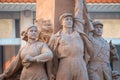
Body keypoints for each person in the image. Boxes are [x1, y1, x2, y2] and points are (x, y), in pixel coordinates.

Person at [47, 0, 89, 80]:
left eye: (71, 19)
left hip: (80, 62)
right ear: (62, 22)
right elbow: (50, 57)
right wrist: (50, 73)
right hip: (65, 64)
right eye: (66, 19)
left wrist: (79, 2)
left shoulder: (78, 31)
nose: (69, 21)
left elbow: (78, 12)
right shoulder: (56, 37)